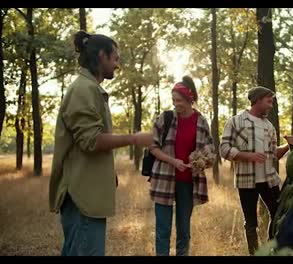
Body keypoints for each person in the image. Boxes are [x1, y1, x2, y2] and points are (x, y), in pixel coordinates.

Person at [49, 30, 148, 256]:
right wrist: (134, 138)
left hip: (88, 193)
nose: (117, 65)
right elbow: (90, 141)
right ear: (102, 56)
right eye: (115, 58)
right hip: (82, 196)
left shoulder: (90, 89)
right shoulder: (83, 90)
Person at [220, 86, 293, 255]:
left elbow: (274, 154)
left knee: (278, 216)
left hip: (269, 179)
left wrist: (288, 146)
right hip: (246, 181)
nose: (271, 105)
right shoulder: (236, 122)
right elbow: (224, 149)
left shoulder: (269, 126)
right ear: (258, 100)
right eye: (269, 101)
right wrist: (248, 156)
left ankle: (271, 250)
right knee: (251, 222)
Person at [148, 76, 215, 256]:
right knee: (162, 229)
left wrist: (202, 160)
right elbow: (153, 147)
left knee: (184, 231)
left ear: (189, 100)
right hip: (164, 180)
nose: (176, 104)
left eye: (179, 100)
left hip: (188, 183)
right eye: (174, 100)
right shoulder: (165, 118)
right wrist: (173, 161)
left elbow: (210, 149)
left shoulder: (201, 121)